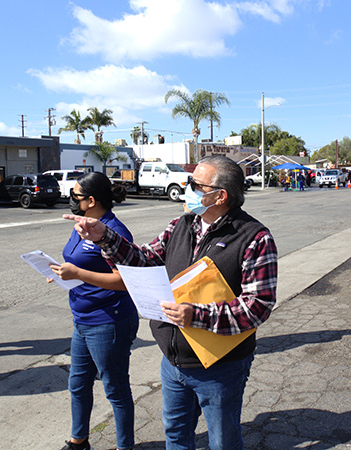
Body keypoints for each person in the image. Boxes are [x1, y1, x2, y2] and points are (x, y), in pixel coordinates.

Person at [65, 156, 278, 450]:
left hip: (220, 366)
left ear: (220, 195)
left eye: (195, 184)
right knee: (176, 435)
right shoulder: (181, 224)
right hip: (174, 360)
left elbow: (258, 306)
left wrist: (196, 315)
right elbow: (143, 259)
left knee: (222, 441)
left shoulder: (254, 238)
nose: (187, 188)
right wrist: (105, 238)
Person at [50, 172, 139, 450]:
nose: (71, 200)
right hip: (82, 318)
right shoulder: (83, 225)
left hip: (108, 320)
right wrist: (65, 274)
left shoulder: (115, 232)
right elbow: (83, 264)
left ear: (91, 200)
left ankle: (125, 446)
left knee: (115, 389)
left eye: (75, 196)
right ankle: (79, 441)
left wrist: (78, 273)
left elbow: (125, 283)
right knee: (78, 383)